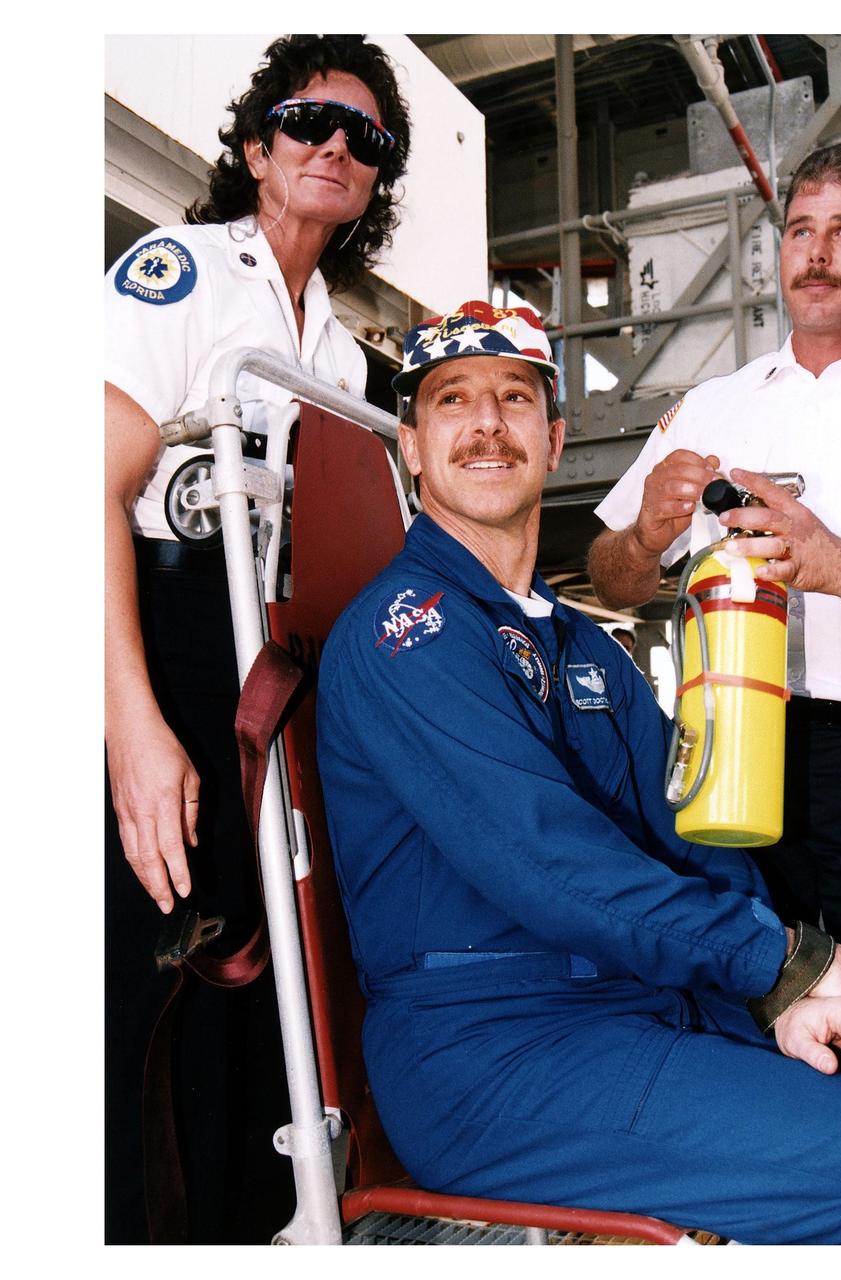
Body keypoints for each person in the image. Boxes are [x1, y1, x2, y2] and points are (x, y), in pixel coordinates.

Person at [315, 300, 841, 1246]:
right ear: (412, 448)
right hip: (494, 1055)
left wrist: (782, 989)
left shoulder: (583, 648)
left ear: (555, 441)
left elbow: (689, 828)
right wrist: (781, 962)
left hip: (634, 1012)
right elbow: (553, 867)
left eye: (516, 398)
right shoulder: (408, 635)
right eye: (452, 401)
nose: (486, 424)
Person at [104, 34, 411, 1243]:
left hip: (284, 663)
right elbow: (79, 491)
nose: (334, 145)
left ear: (375, 177)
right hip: (168, 639)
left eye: (363, 136)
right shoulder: (181, 273)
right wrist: (132, 729)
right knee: (153, 984)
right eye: (306, 121)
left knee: (267, 974)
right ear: (255, 147)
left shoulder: (338, 350)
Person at [587, 143, 841, 1046]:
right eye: (801, 230)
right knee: (750, 1008)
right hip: (726, 740)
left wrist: (839, 565)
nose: (816, 252)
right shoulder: (708, 409)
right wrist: (645, 535)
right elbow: (610, 576)